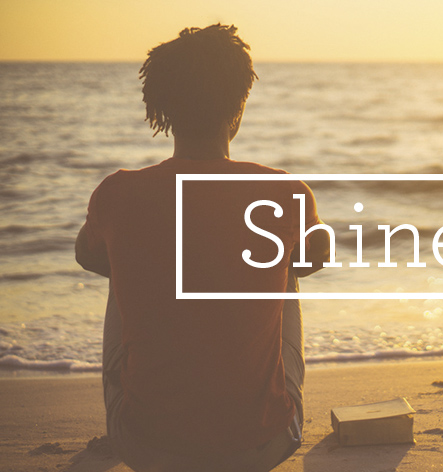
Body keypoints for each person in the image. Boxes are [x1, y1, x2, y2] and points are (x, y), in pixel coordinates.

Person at [75, 24, 329, 472]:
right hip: (263, 445)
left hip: (144, 446)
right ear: (239, 106)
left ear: (162, 109)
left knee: (120, 260)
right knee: (283, 262)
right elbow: (316, 258)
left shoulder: (117, 193)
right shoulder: (285, 193)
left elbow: (85, 254)